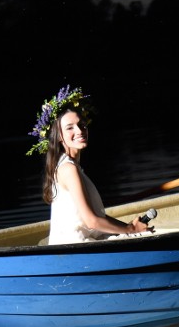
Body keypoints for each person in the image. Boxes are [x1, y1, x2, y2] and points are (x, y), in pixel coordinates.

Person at [27, 85, 151, 244]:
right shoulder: (68, 169)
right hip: (76, 248)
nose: (79, 131)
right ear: (59, 136)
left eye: (81, 124)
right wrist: (131, 230)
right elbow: (92, 221)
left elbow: (96, 217)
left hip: (81, 243)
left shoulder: (68, 166)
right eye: (70, 128)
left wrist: (128, 227)